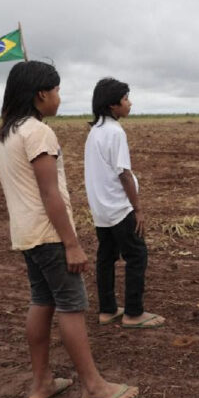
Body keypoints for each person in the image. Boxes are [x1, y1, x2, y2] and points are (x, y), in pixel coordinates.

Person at [0, 61, 139, 398]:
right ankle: (94, 387)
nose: (60, 97)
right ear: (41, 94)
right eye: (56, 90)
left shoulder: (6, 134)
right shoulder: (38, 133)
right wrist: (71, 243)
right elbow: (50, 194)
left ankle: (41, 383)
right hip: (49, 236)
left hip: (26, 235)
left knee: (41, 301)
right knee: (72, 307)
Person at [84, 77, 165, 329]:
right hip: (119, 208)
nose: (130, 103)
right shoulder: (115, 132)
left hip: (100, 209)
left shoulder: (95, 131)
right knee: (137, 255)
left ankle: (107, 310)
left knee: (106, 256)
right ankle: (133, 313)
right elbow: (124, 173)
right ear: (112, 105)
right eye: (125, 99)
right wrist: (138, 209)